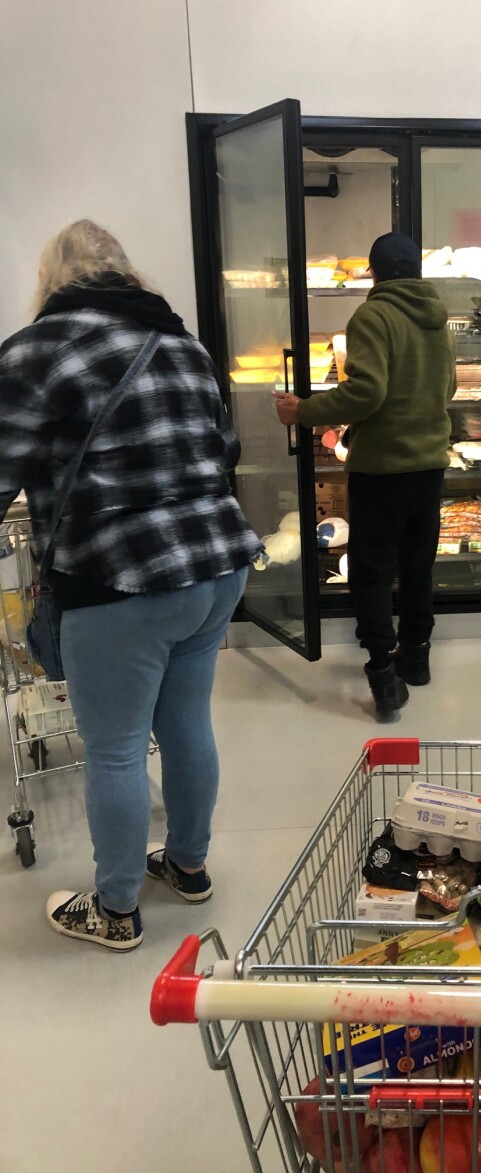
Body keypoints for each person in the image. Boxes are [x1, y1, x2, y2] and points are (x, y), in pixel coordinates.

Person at [0, 220, 261, 951]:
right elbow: (224, 450)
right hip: (215, 567)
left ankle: (115, 908)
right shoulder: (183, 344)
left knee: (115, 749)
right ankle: (188, 864)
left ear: (53, 278)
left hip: (119, 578)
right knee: (186, 722)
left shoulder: (35, 350)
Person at [275, 233, 456, 722]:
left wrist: (305, 411)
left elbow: (367, 392)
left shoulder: (372, 316)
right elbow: (450, 386)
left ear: (373, 273)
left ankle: (383, 677)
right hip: (430, 465)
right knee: (418, 566)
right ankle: (415, 659)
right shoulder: (440, 319)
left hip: (382, 470)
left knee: (374, 572)